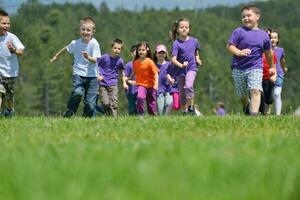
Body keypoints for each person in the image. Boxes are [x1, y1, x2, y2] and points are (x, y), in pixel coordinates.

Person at [227, 4, 276, 116]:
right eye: (243, 16)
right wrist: (239, 52)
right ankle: (245, 105)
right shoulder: (238, 32)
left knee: (255, 90)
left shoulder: (264, 35)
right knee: (242, 94)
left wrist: (272, 66)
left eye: (249, 15)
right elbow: (230, 46)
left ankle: (253, 116)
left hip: (255, 67)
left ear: (257, 16)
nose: (246, 18)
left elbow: (268, 53)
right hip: (238, 68)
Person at [50, 16, 101, 118]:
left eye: (88, 30)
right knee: (77, 92)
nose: (85, 32)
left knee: (90, 104)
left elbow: (95, 60)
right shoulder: (75, 43)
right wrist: (56, 55)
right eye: (83, 29)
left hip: (92, 76)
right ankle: (70, 110)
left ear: (93, 32)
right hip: (78, 74)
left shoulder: (94, 44)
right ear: (79, 30)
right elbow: (66, 48)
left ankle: (86, 117)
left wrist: (88, 57)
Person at [170, 18, 202, 115]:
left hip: (192, 68)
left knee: (188, 86)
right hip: (180, 71)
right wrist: (181, 65)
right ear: (177, 29)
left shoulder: (194, 41)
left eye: (186, 27)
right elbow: (173, 59)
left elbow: (196, 52)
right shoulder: (176, 43)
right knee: (182, 93)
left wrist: (198, 59)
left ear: (189, 29)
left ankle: (191, 108)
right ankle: (184, 112)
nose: (184, 29)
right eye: (181, 27)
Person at [0, 10, 25, 117]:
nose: (7, 26)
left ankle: (9, 110)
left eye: (8, 23)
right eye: (4, 23)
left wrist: (14, 50)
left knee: (9, 97)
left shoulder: (11, 37)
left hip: (11, 72)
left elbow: (21, 51)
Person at [97, 38, 126, 117]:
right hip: (103, 84)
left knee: (113, 103)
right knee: (105, 103)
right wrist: (97, 75)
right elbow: (96, 65)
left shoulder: (120, 61)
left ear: (121, 50)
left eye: (119, 49)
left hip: (113, 84)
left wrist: (124, 82)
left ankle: (114, 119)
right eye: (115, 48)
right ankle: (107, 116)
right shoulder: (104, 57)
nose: (116, 50)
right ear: (111, 48)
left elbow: (122, 71)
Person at [132, 41, 159, 116]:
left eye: (143, 50)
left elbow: (156, 73)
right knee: (140, 97)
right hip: (141, 84)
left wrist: (156, 84)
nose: (141, 51)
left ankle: (153, 115)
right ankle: (141, 114)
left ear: (147, 50)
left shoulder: (150, 62)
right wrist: (128, 78)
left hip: (151, 85)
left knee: (151, 103)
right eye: (139, 50)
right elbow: (134, 72)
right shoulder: (136, 62)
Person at [259, 29, 277, 115]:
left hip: (267, 78)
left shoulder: (271, 53)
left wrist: (273, 78)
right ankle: (258, 111)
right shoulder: (257, 51)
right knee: (259, 94)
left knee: (268, 100)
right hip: (257, 77)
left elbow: (274, 66)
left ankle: (265, 108)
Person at [271, 30, 288, 115]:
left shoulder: (281, 50)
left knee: (277, 94)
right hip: (268, 74)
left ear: (277, 40)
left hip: (279, 73)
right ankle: (265, 112)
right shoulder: (265, 50)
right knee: (269, 96)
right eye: (271, 37)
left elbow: (282, 60)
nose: (273, 39)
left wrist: (284, 67)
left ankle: (278, 115)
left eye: (275, 38)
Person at [153, 44, 173, 115]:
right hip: (159, 91)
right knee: (160, 110)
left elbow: (173, 74)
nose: (161, 54)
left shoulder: (169, 64)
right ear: (156, 54)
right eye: (159, 52)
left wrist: (171, 80)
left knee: (168, 104)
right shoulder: (154, 65)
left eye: (163, 52)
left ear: (165, 54)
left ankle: (167, 118)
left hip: (169, 90)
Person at [124, 45, 138, 115]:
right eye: (135, 52)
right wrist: (130, 82)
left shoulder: (143, 65)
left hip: (140, 90)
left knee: (139, 107)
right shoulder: (128, 65)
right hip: (131, 91)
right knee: (132, 107)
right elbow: (125, 78)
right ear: (131, 53)